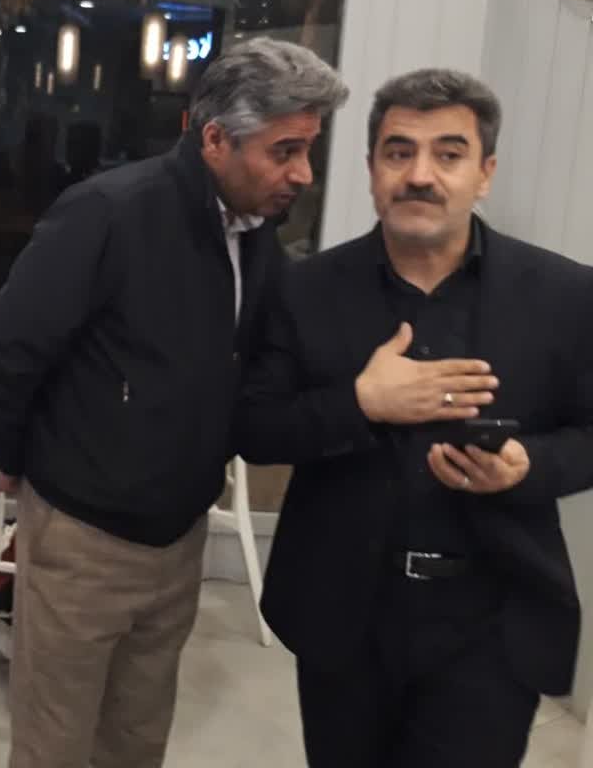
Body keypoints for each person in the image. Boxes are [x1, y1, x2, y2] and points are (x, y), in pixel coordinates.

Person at [0, 37, 350, 768]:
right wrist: (14, 457)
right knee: (53, 746)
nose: (303, 174)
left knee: (138, 742)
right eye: (285, 151)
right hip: (82, 538)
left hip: (179, 539)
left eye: (309, 150)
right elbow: (9, 354)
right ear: (215, 140)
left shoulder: (255, 235)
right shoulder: (110, 212)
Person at [237, 69, 593, 767]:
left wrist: (530, 466)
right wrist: (360, 404)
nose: (420, 175)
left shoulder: (565, 296)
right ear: (372, 169)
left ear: (485, 173)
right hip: (343, 617)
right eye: (399, 153)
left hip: (493, 625)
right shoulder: (303, 291)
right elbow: (253, 428)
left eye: (449, 154)